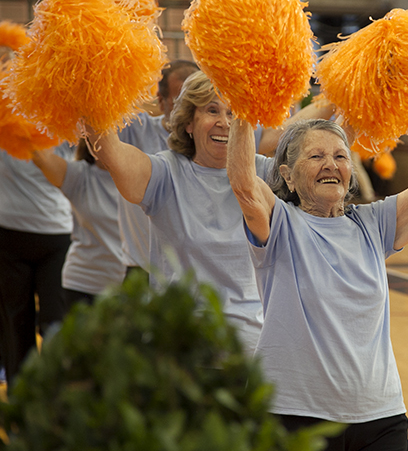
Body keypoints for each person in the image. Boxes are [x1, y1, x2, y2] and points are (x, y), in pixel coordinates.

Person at [227, 115, 408, 450]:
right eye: (316, 156)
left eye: (340, 156)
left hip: (380, 414)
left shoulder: (373, 224)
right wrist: (243, 110)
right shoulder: (280, 223)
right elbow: (244, 183)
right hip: (292, 415)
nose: (330, 165)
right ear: (287, 176)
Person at [88, 71, 333, 354]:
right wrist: (90, 89)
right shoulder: (165, 172)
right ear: (189, 123)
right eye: (212, 110)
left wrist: (344, 95)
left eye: (233, 112)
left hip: (250, 349)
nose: (224, 122)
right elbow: (113, 154)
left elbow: (305, 140)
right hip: (180, 350)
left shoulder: (264, 172)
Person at [116, 60, 199, 278]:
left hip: (194, 270)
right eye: (180, 101)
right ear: (161, 102)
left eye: (196, 102)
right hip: (141, 268)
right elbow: (98, 124)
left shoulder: (214, 139)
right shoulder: (135, 128)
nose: (189, 110)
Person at [0, 144, 73, 384]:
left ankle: (57, 399)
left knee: (55, 326)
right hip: (9, 232)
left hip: (57, 235)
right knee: (16, 327)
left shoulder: (64, 115)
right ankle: (19, 405)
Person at [31, 139, 125, 306]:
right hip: (81, 282)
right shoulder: (80, 175)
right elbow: (40, 156)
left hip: (124, 285)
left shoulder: (137, 177)